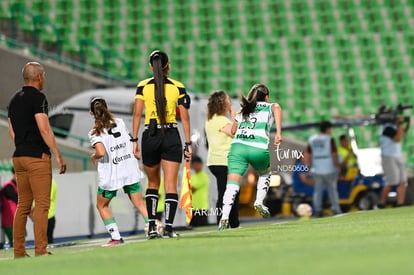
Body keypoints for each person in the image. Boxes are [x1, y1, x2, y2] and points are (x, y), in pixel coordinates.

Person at [7, 61, 67, 258]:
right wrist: (57, 153)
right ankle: (41, 250)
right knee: (42, 204)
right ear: (40, 77)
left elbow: (12, 131)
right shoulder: (39, 97)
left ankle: (19, 252)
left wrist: (22, 146)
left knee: (23, 205)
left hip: (19, 156)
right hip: (36, 157)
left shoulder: (14, 99)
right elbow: (44, 128)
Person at [131, 50, 192, 239]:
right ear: (168, 66)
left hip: (150, 134)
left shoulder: (143, 86)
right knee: (170, 184)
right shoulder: (178, 87)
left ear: (151, 66)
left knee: (153, 183)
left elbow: (136, 115)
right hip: (171, 134)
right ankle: (169, 228)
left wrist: (134, 141)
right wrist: (188, 143)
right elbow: (186, 117)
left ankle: (151, 227)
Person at [218, 84, 282, 230]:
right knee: (265, 174)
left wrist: (235, 118)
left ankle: (225, 216)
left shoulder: (244, 110)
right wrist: (278, 133)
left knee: (231, 185)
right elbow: (277, 108)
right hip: (258, 148)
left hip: (238, 148)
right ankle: (259, 201)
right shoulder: (269, 106)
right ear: (266, 97)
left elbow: (233, 131)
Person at [89, 97, 149, 247]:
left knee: (102, 206)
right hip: (129, 168)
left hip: (111, 174)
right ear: (107, 107)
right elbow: (132, 141)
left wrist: (93, 156)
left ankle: (116, 237)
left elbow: (101, 152)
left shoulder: (95, 133)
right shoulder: (120, 122)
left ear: (91, 113)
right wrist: (136, 153)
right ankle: (154, 226)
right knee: (139, 203)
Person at [205, 90, 240, 228]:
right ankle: (229, 223)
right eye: (228, 100)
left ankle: (225, 222)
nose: (230, 102)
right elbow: (235, 131)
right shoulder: (221, 120)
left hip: (215, 161)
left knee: (225, 192)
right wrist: (235, 117)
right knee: (230, 193)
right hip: (224, 161)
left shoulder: (210, 119)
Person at [307, 121, 342, 217]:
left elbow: (309, 154)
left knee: (317, 191)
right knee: (332, 190)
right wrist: (337, 165)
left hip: (317, 168)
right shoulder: (329, 139)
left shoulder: (312, 139)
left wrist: (311, 165)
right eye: (330, 129)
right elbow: (334, 154)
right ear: (327, 129)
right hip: (329, 167)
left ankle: (318, 210)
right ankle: (335, 208)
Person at [378, 117, 410, 208]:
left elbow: (404, 130)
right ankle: (381, 203)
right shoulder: (386, 128)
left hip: (397, 156)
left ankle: (400, 203)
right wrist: (400, 124)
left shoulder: (394, 127)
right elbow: (398, 138)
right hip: (388, 157)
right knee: (391, 182)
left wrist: (407, 123)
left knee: (402, 181)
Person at [189, 156, 210, 227]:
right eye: (194, 164)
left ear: (201, 164)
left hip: (201, 207)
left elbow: (193, 189)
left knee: (202, 227)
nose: (196, 166)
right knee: (193, 228)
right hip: (193, 207)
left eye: (197, 164)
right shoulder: (193, 176)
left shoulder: (204, 176)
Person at [0, 168, 18, 247]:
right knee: (16, 242)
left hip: (16, 221)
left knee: (19, 240)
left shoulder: (15, 186)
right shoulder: (8, 187)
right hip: (9, 222)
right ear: (13, 174)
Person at [47, 179, 57, 244]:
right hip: (42, 217)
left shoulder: (50, 183)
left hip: (48, 216)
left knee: (48, 241)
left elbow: (46, 199)